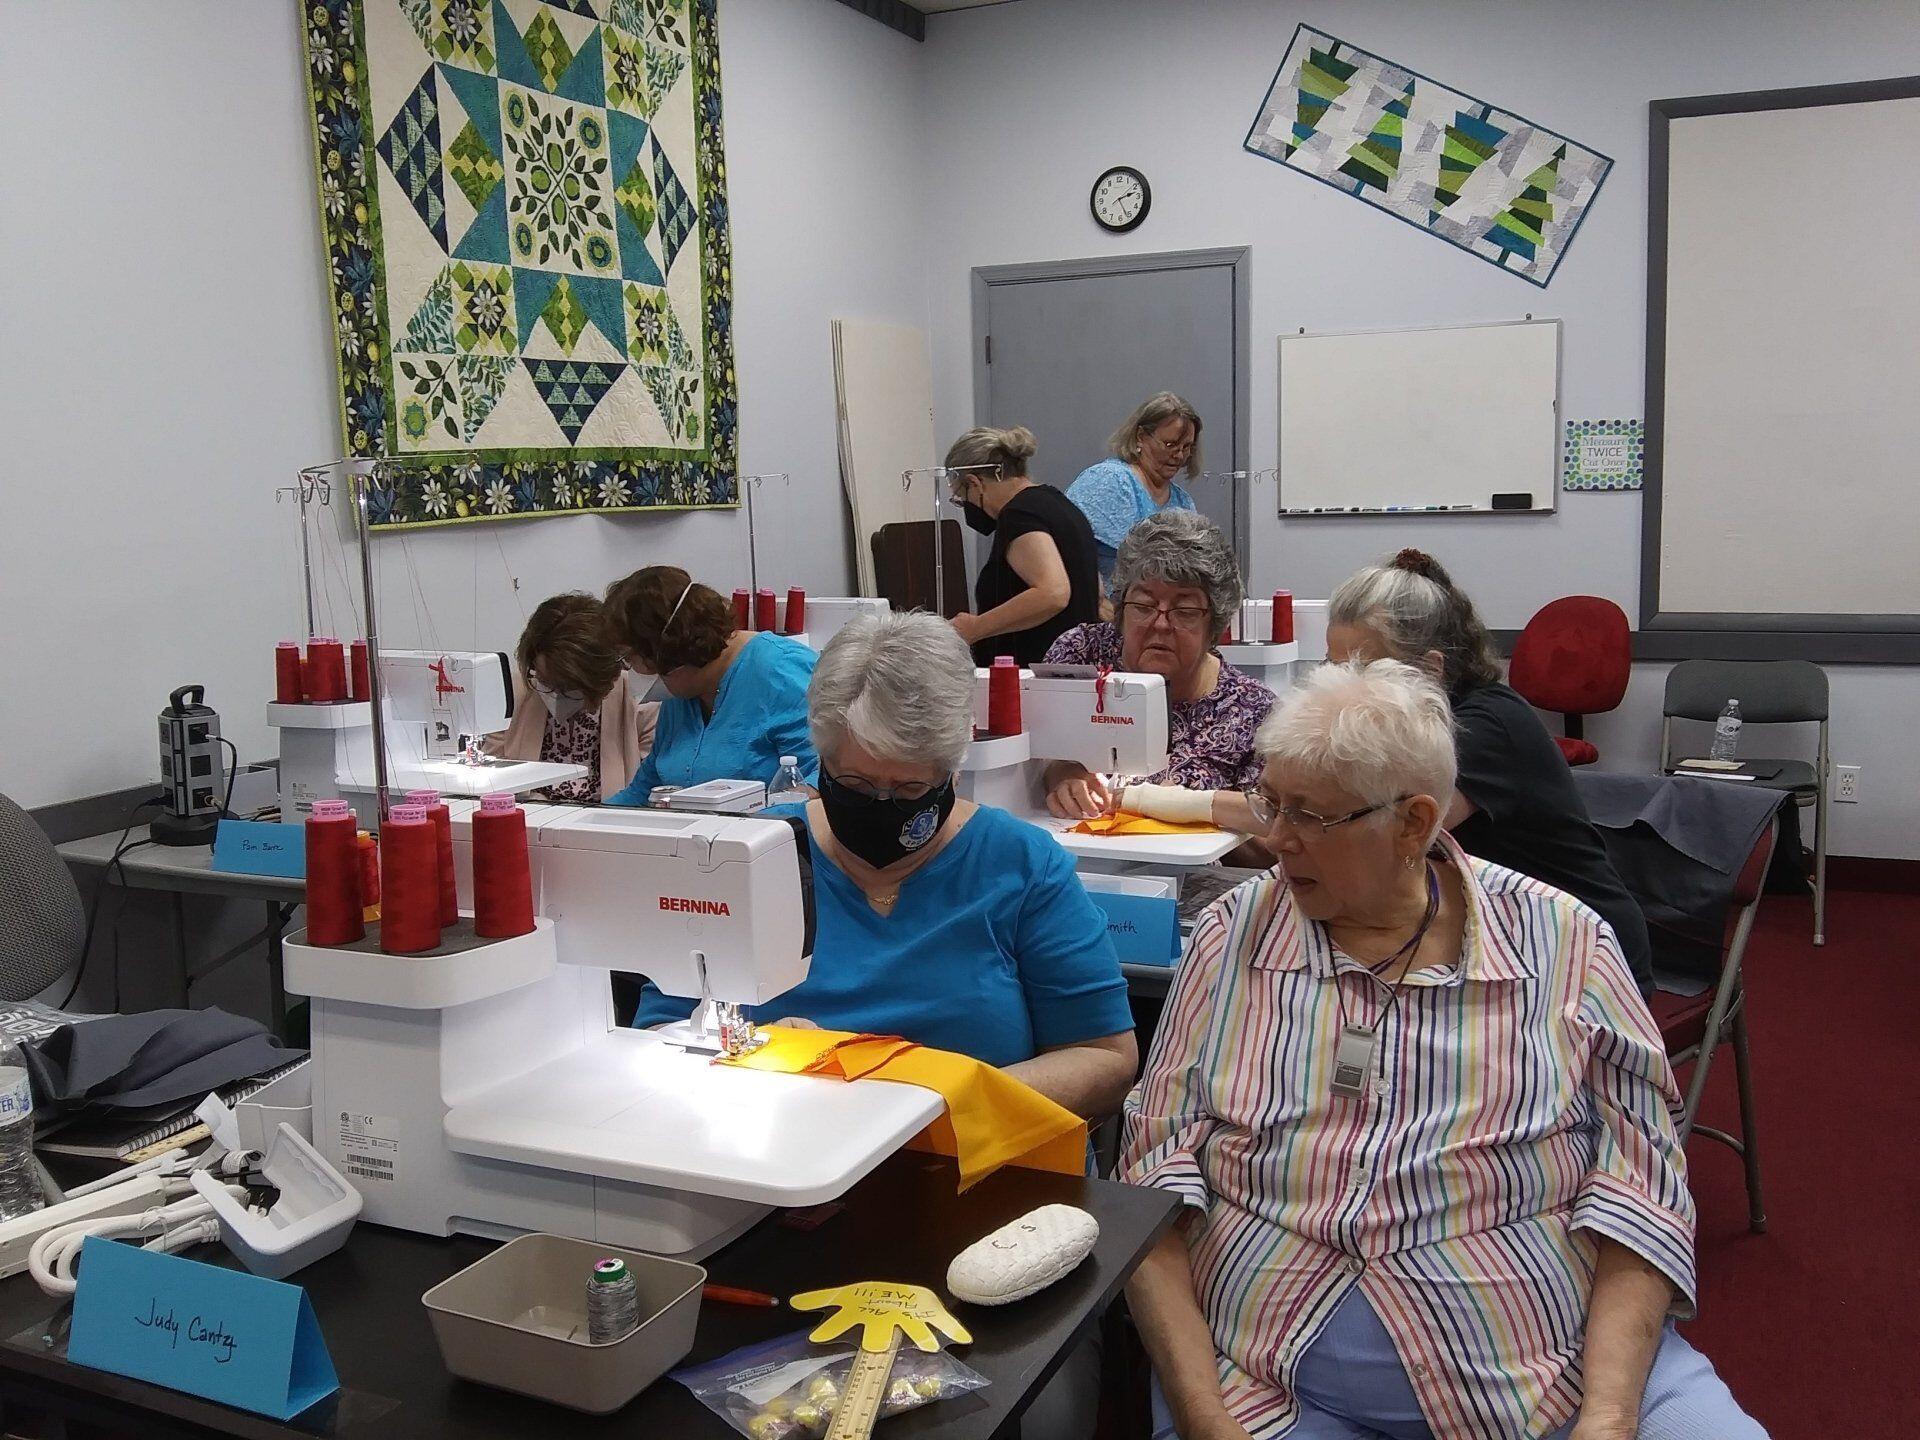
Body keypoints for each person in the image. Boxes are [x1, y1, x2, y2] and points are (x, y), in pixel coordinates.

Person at [1122, 660, 1765, 1440]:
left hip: (1548, 1376)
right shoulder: (1230, 939)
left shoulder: (1563, 942)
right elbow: (1151, 1185)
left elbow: (1642, 1191)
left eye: (1310, 815)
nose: (1275, 837)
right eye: (1271, 801)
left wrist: (1607, 1414)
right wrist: (1202, 1416)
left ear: (1413, 824)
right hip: (1271, 1385)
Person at [635, 612, 1137, 1118]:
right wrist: (755, 1057)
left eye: (909, 789)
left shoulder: (1021, 865)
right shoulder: (745, 858)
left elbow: (1105, 1057)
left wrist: (930, 1106)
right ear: (820, 761)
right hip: (787, 1141)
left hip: (972, 1149)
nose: (880, 803)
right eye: (854, 785)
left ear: (953, 771)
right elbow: (657, 1031)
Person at [1324, 549, 1655, 995]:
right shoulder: (1414, 721)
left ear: (1430, 670)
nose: (1344, 686)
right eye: (1334, 666)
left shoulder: (1482, 728)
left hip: (1580, 956)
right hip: (1503, 933)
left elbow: (1379, 835)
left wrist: (1235, 806)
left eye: (1365, 670)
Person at [1041, 511, 1274, 820]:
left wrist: (1184, 805)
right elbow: (1038, 746)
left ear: (1215, 624)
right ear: (1121, 608)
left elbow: (1271, 823)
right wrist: (1062, 772)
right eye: (1143, 605)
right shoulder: (1081, 654)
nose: (1160, 624)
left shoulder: (1253, 712)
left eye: (1185, 610)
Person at [603, 566, 817, 807]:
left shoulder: (782, 673)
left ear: (669, 652)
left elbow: (822, 781)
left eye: (629, 659)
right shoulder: (683, 694)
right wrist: (586, 819)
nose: (629, 670)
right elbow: (645, 790)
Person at [943, 426, 1101, 666]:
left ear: (974, 483)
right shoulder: (1059, 504)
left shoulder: (1018, 515)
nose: (967, 506)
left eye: (961, 498)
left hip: (1037, 674)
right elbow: (1095, 589)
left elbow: (1053, 593)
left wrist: (975, 627)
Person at [483, 593, 655, 802]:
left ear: (594, 681)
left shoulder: (637, 700)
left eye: (566, 686)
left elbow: (648, 787)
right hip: (532, 813)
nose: (554, 693)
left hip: (611, 814)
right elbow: (494, 779)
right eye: (545, 680)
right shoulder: (513, 693)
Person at [1066, 392, 1201, 586]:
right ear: (1141, 437)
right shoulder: (1107, 481)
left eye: (1186, 447)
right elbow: (1068, 551)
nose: (1179, 455)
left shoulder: (1183, 502)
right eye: (1170, 444)